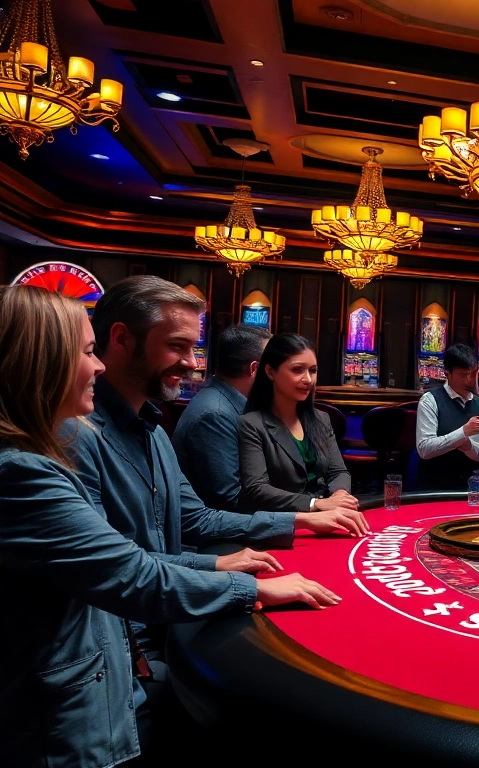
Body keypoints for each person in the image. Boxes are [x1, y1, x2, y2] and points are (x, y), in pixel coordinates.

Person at [0, 285, 340, 768]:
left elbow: (178, 527)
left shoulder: (152, 428)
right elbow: (128, 572)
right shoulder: (38, 459)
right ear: (42, 362)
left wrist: (280, 529)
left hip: (124, 661)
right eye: (85, 351)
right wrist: (246, 586)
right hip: (76, 705)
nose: (95, 366)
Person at [240, 334, 359, 513]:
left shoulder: (321, 419)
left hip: (329, 516)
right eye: (297, 370)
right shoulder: (251, 424)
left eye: (313, 370)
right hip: (284, 524)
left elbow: (339, 472)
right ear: (270, 372)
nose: (308, 380)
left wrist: (339, 495)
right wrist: (314, 504)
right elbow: (257, 489)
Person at [172, 323, 270, 510]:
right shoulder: (215, 415)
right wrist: (305, 508)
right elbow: (230, 500)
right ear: (254, 369)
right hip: (214, 536)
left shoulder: (234, 403)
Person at [416, 342, 479, 491]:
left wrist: (468, 446)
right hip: (433, 485)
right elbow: (424, 449)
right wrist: (462, 433)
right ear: (447, 373)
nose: (469, 380)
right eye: (463, 375)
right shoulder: (430, 400)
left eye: (473, 374)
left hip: (469, 488)